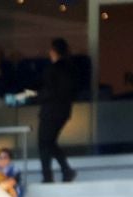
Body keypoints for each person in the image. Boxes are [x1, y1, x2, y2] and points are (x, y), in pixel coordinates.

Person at [36, 39, 78, 184]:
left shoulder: (53, 69)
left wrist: (36, 97)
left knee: (44, 143)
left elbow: (50, 91)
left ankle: (48, 175)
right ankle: (66, 170)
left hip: (51, 111)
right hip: (63, 111)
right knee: (50, 142)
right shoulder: (70, 68)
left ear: (54, 51)